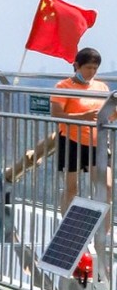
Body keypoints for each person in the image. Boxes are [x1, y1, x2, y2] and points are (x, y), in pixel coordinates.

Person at [51, 46, 111, 209]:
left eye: (95, 68)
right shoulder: (64, 86)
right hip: (72, 140)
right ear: (77, 66)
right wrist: (81, 118)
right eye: (88, 67)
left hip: (97, 142)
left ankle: (103, 232)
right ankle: (66, 229)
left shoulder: (101, 87)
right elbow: (56, 113)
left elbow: (108, 114)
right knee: (72, 188)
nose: (91, 72)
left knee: (106, 186)